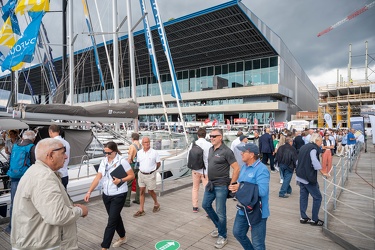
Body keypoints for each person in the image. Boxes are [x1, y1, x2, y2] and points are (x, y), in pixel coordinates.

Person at [11, 138, 88, 249]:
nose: (66, 157)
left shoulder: (37, 172)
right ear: (51, 155)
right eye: (63, 153)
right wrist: (81, 211)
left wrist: (68, 207)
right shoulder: (43, 177)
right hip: (44, 246)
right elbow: (57, 216)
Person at [84, 141, 134, 250]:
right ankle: (122, 237)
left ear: (115, 151)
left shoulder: (122, 161)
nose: (107, 155)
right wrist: (89, 191)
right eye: (104, 153)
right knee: (114, 217)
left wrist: (121, 180)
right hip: (106, 195)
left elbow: (131, 175)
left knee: (111, 222)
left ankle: (104, 247)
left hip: (119, 194)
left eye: (109, 153)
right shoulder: (104, 161)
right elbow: (98, 177)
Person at [202, 129, 240, 249]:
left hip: (221, 185)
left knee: (221, 212)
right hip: (211, 184)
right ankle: (219, 227)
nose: (211, 137)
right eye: (210, 136)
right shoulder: (210, 149)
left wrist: (232, 183)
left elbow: (237, 168)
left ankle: (223, 236)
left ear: (220, 137)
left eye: (214, 136)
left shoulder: (227, 151)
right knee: (205, 205)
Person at [230, 143, 270, 250]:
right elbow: (241, 186)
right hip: (243, 209)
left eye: (244, 152)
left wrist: (241, 187)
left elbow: (262, 191)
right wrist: (234, 189)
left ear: (251, 154)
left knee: (258, 244)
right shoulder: (244, 167)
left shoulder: (262, 169)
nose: (241, 153)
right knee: (237, 232)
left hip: (258, 212)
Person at [5, 130, 36, 234]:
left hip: (14, 177)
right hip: (26, 178)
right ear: (33, 138)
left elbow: (10, 161)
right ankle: (26, 227)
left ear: (23, 138)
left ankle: (11, 227)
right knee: (28, 202)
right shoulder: (32, 147)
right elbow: (34, 164)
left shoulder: (15, 145)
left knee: (14, 202)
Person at [296, 133, 324, 226]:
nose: (322, 143)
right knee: (318, 197)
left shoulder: (304, 147)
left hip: (300, 176)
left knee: (303, 197)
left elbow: (298, 161)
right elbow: (314, 161)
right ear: (316, 141)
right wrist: (322, 171)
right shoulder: (313, 148)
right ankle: (314, 219)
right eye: (321, 141)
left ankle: (303, 217)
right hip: (308, 177)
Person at [133, 136, 161, 218]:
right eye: (145, 142)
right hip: (141, 174)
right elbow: (138, 163)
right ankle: (141, 210)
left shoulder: (154, 152)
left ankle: (156, 203)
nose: (147, 143)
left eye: (148, 142)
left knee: (150, 191)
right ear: (142, 144)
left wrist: (153, 170)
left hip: (150, 175)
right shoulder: (139, 153)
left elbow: (158, 163)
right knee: (141, 191)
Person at [190, 128, 212, 212]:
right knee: (207, 189)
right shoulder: (209, 145)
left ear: (197, 135)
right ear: (205, 135)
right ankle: (207, 208)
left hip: (195, 170)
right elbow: (211, 157)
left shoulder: (193, 144)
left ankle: (195, 207)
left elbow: (189, 156)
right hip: (206, 171)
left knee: (195, 188)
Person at [49, 125, 71, 189]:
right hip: (65, 173)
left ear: (50, 132)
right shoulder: (66, 143)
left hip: (56, 174)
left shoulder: (52, 143)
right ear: (59, 131)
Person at [124, 132, 142, 207]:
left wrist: (127, 165)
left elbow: (130, 156)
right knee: (138, 183)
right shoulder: (141, 146)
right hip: (140, 165)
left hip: (132, 165)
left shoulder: (132, 146)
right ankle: (138, 199)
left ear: (132, 138)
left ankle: (127, 201)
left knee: (129, 183)